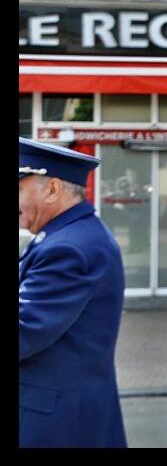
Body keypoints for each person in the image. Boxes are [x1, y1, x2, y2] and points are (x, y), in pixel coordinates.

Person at [19, 138, 127, 447]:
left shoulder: (68, 247)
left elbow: (25, 329)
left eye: (19, 190)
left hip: (56, 425)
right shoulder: (68, 236)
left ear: (52, 189)